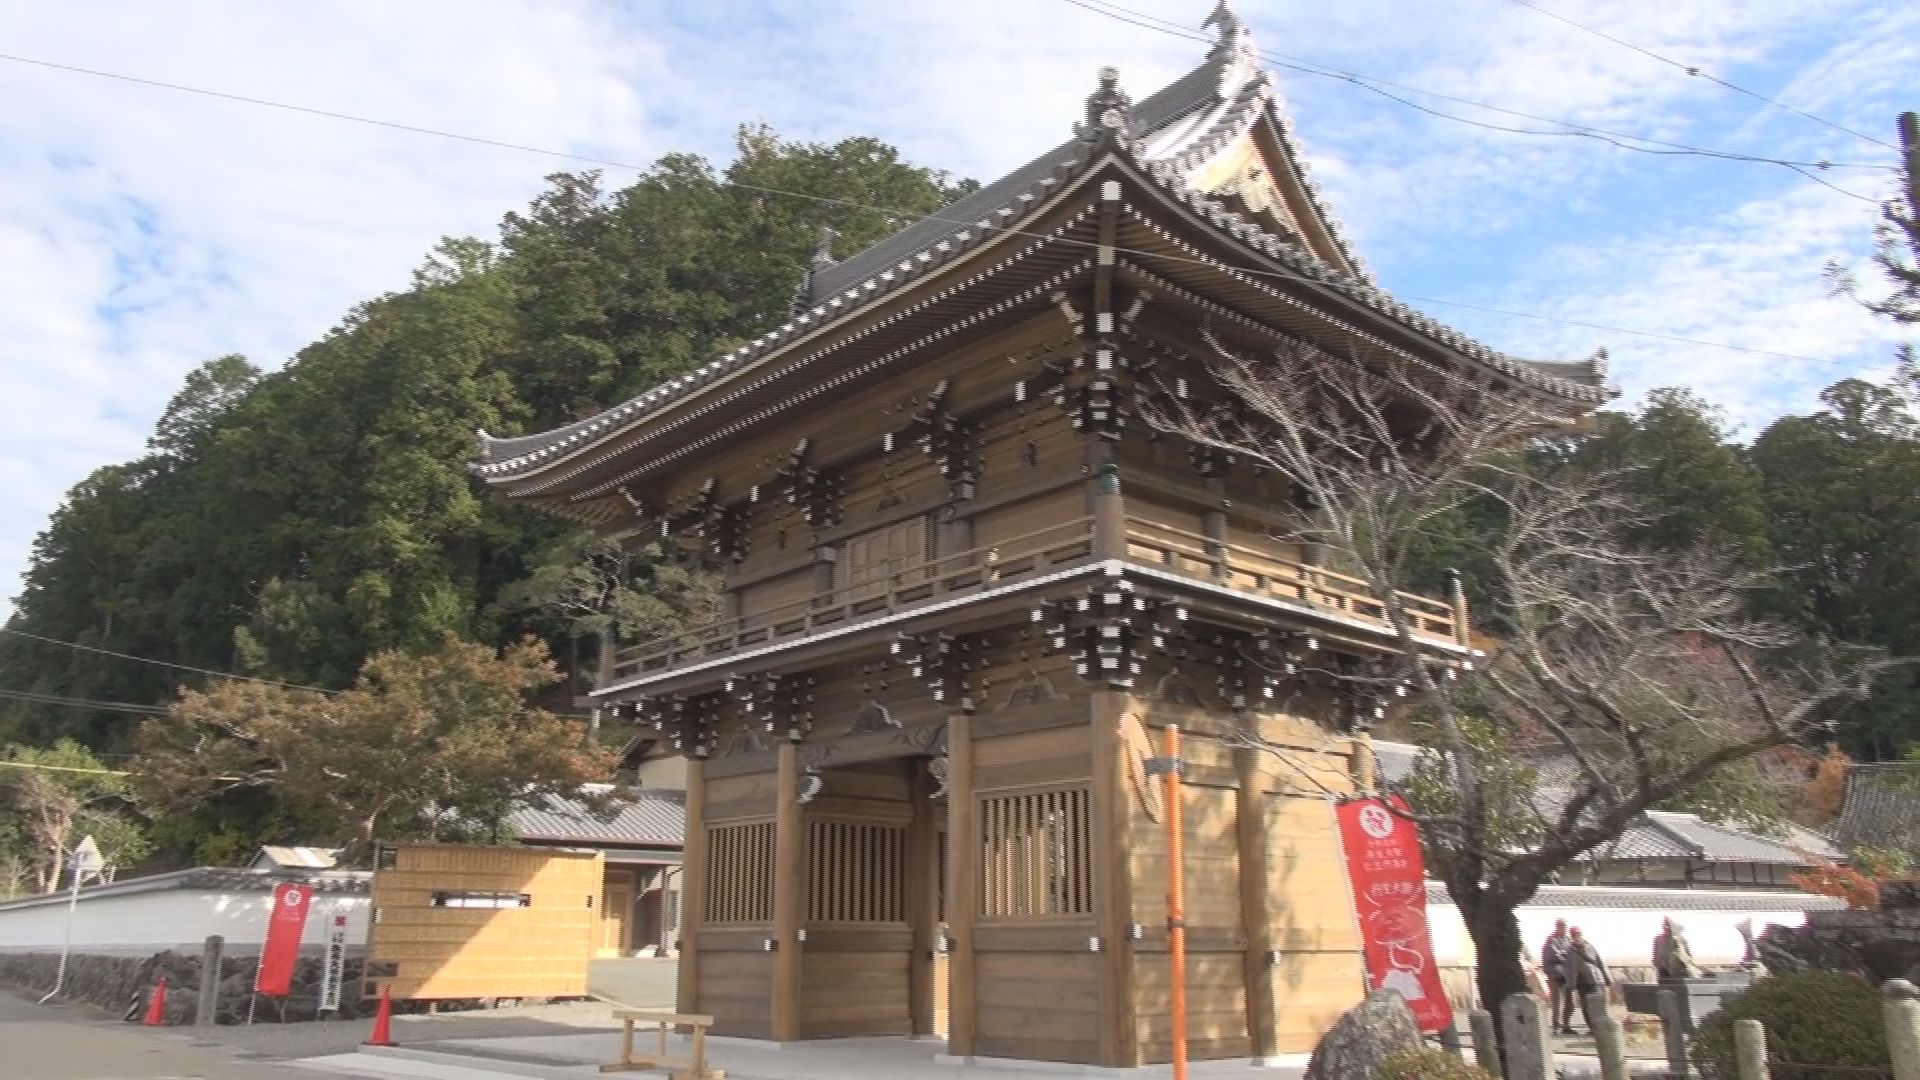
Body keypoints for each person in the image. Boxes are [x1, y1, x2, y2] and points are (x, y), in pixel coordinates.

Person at [1570, 926, 1611, 1036]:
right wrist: (1572, 984)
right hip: (1581, 982)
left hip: (1594, 979)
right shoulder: (1571, 950)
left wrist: (1607, 978)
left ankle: (1602, 1027)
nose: (1576, 937)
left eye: (1577, 934)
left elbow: (1598, 961)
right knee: (1585, 1006)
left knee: (1597, 1004)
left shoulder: (1588, 946)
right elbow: (1572, 968)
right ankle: (1592, 1028)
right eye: (1573, 935)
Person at [1541, 919, 1575, 1036]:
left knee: (1571, 1002)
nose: (1564, 928)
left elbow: (1572, 954)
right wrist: (1563, 955)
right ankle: (1556, 1025)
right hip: (1555, 974)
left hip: (1568, 974)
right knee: (1557, 1001)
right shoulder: (1551, 940)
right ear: (1557, 927)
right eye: (1562, 926)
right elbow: (1552, 956)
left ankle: (1566, 1024)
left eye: (1565, 926)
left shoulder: (1568, 940)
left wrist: (1565, 955)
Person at [1653, 917, 1700, 983]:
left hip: (1679, 970)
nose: (1666, 928)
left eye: (1668, 926)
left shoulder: (1681, 939)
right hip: (1665, 971)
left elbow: (1688, 956)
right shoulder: (1659, 939)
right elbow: (1655, 958)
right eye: (1664, 925)